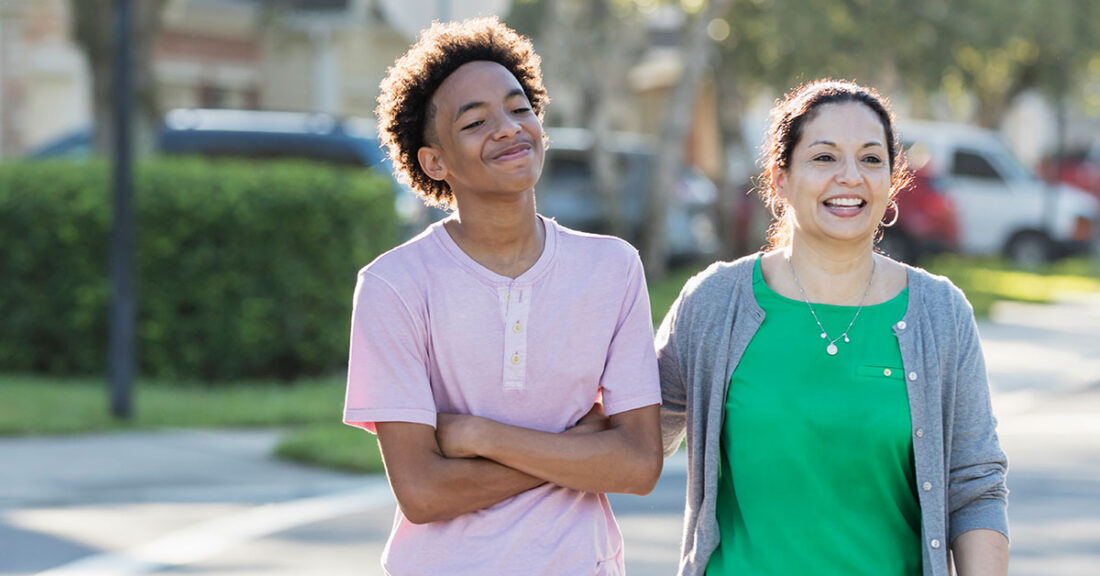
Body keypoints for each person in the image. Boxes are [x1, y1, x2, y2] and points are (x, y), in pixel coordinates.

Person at [342, 18, 663, 576]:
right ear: (435, 162)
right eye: (475, 121)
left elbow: (637, 465)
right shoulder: (393, 286)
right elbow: (423, 493)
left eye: (520, 109)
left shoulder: (612, 268)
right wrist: (577, 450)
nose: (509, 129)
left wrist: (478, 435)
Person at [656, 79, 1009, 576]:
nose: (850, 177)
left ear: (892, 179)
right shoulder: (716, 303)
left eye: (870, 159)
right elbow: (634, 439)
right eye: (824, 158)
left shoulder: (939, 313)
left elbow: (975, 488)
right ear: (780, 179)